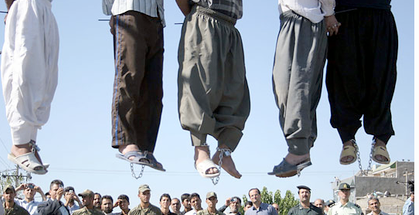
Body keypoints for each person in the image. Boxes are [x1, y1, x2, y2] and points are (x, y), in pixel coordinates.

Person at [175, 0, 250, 179]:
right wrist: (195, 18)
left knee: (234, 91)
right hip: (204, 17)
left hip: (230, 25)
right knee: (200, 85)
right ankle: (201, 151)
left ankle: (224, 151)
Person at [268, 0, 336, 178]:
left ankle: (299, 149)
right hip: (287, 20)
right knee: (282, 89)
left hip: (307, 20)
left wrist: (329, 14)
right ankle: (302, 146)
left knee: (299, 87)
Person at [326, 0, 398, 166]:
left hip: (380, 15)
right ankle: (347, 139)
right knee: (342, 79)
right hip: (346, 15)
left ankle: (381, 139)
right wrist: (328, 14)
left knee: (382, 78)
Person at [101, 0, 165, 172]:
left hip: (156, 17)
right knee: (129, 77)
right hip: (130, 10)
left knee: (153, 89)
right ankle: (125, 141)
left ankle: (145, 147)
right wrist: (113, 12)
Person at [1, 0, 59, 176]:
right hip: (26, 4)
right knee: (25, 74)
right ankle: (19, 144)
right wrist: (12, 8)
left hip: (46, 8)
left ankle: (30, 142)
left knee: (47, 80)